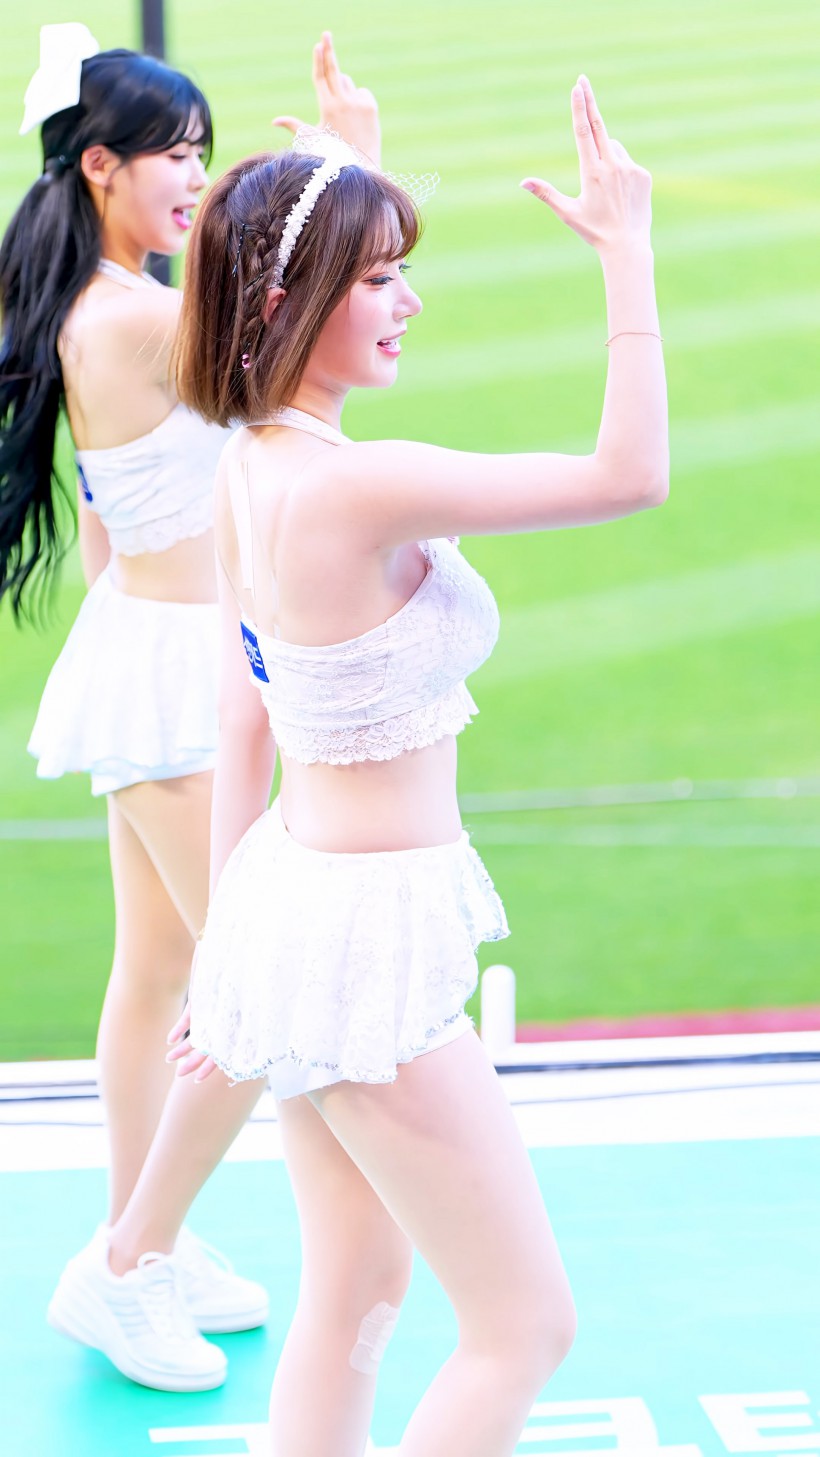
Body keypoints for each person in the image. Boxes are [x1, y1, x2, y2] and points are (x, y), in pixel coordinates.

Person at [169, 74, 668, 1456]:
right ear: (292, 301)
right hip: (364, 944)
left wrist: (348, 170)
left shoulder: (251, 467)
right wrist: (627, 254)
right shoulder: (354, 487)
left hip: (294, 909)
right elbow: (628, 475)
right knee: (524, 1326)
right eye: (380, 278)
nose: (412, 302)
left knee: (357, 1287)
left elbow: (244, 714)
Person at [0, 22, 380, 1392]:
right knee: (252, 982)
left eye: (205, 152)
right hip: (169, 678)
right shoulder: (137, 318)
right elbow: (296, 342)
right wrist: (351, 163)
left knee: (159, 970)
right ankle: (125, 1264)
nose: (197, 177)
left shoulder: (103, 303)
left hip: (154, 655)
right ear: (99, 166)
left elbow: (112, 515)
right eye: (173, 153)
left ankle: (145, 1246)